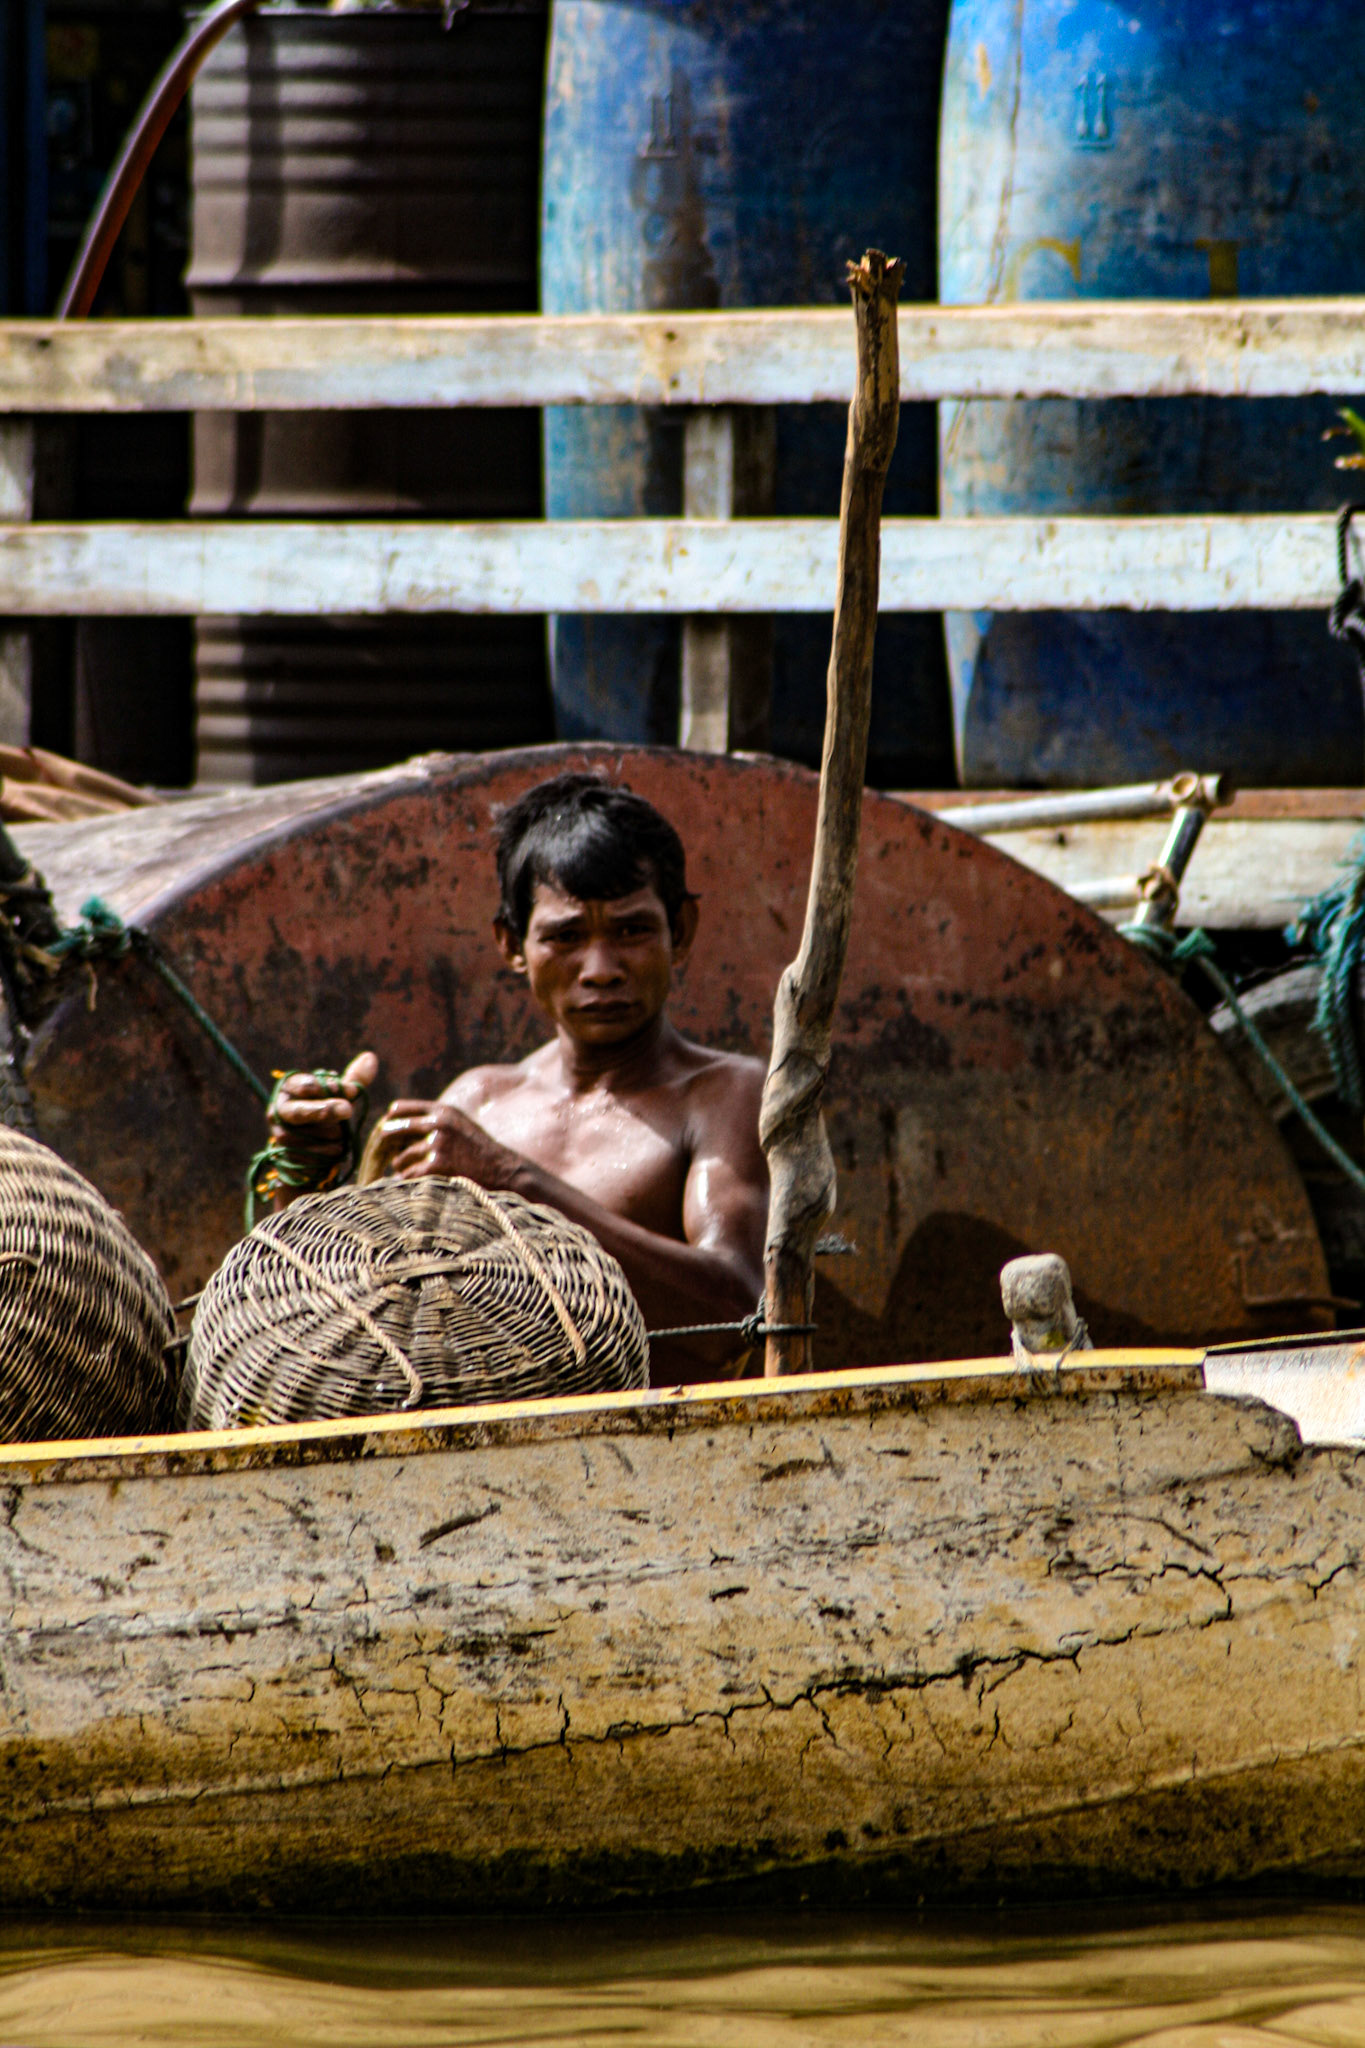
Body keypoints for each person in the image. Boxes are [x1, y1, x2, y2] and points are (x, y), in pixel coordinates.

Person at [268, 771, 769, 1383]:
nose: (602, 968)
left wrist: (512, 1180)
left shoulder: (725, 1095)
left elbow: (738, 1312)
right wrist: (304, 1177)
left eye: (633, 930)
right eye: (565, 936)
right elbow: (346, 1317)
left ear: (681, 931)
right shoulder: (479, 1102)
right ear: (511, 944)